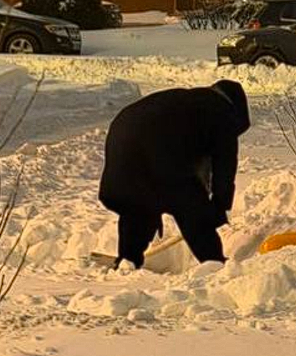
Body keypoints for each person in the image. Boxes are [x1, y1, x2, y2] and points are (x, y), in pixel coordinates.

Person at [98, 80, 249, 269]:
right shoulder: (221, 111)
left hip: (121, 149)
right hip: (156, 154)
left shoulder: (187, 102)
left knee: (137, 205)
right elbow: (224, 166)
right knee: (192, 207)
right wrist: (219, 205)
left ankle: (128, 260)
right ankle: (215, 265)